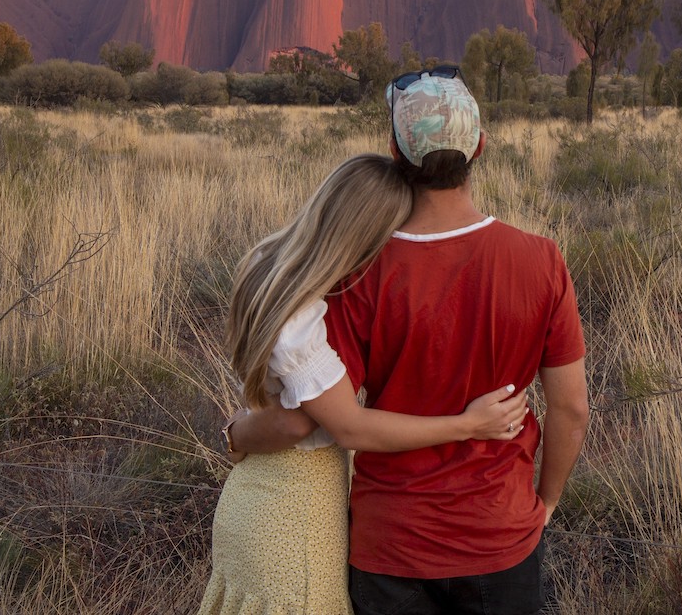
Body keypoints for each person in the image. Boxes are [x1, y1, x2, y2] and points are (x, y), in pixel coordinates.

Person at [226, 67, 589, 615]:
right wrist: (548, 502)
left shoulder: (356, 273)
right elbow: (571, 410)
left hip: (391, 545)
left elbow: (319, 415)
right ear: (480, 147)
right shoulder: (541, 261)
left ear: (395, 152)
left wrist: (237, 432)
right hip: (500, 532)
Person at [197, 152, 530, 615]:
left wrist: (235, 433)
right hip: (296, 514)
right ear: (365, 234)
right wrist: (467, 425)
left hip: (253, 495)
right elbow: (322, 426)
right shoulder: (303, 314)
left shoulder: (267, 266)